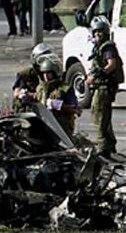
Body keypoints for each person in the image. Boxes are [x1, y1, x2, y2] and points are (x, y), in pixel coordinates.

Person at [85, 18, 124, 157]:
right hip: (101, 87)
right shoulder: (100, 47)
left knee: (99, 116)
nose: (97, 35)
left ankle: (103, 147)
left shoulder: (107, 47)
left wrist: (99, 74)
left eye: (100, 32)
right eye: (95, 33)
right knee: (104, 117)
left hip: (104, 87)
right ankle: (109, 144)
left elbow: (111, 63)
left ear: (105, 33)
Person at [35, 55, 80, 137]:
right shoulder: (40, 88)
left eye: (48, 73)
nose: (46, 76)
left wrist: (57, 105)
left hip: (61, 128)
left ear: (55, 72)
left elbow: (76, 109)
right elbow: (36, 99)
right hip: (42, 126)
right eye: (44, 73)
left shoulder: (65, 88)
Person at [12, 43, 53, 113]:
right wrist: (23, 94)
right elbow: (16, 93)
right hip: (30, 109)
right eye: (42, 59)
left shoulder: (54, 72)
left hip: (50, 110)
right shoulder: (26, 74)